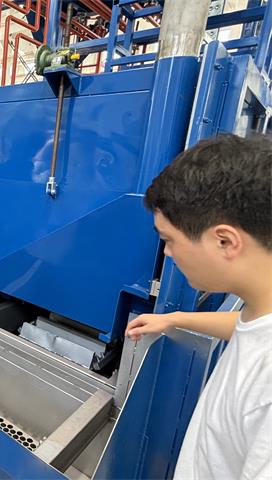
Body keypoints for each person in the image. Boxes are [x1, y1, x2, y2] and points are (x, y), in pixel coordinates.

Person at [125, 134, 271, 479]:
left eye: (168, 240)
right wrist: (175, 318)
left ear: (225, 241)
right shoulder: (259, 311)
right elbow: (248, 328)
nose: (167, 253)